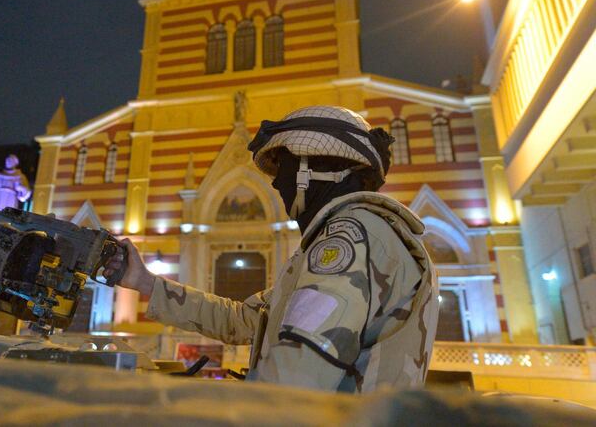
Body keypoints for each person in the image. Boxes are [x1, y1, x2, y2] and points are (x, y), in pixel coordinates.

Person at [105, 106, 439, 393]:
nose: (277, 184)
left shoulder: (348, 238)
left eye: (286, 170)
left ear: (319, 170)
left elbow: (293, 381)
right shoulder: (352, 236)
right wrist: (145, 282)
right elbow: (245, 320)